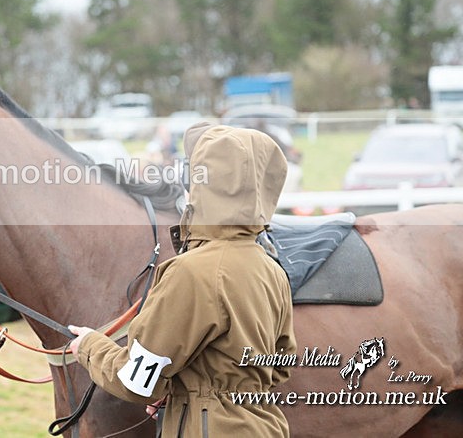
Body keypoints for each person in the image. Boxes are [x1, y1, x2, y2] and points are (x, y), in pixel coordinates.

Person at [69, 122, 297, 437]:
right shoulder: (271, 268)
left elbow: (136, 382)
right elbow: (280, 364)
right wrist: (187, 390)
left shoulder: (191, 272)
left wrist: (89, 347)